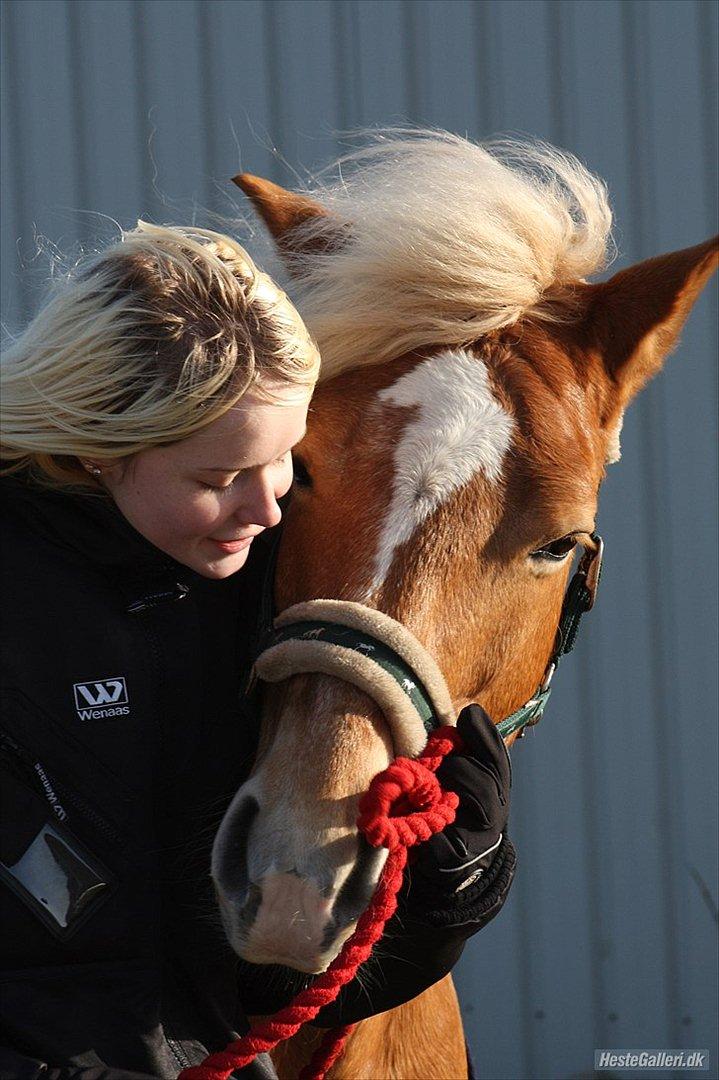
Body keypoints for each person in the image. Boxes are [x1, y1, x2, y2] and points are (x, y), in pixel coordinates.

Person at [0, 223, 515, 1079]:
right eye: (218, 479)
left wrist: (447, 894)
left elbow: (264, 987)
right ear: (96, 449)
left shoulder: (270, 595)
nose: (267, 509)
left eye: (286, 464)